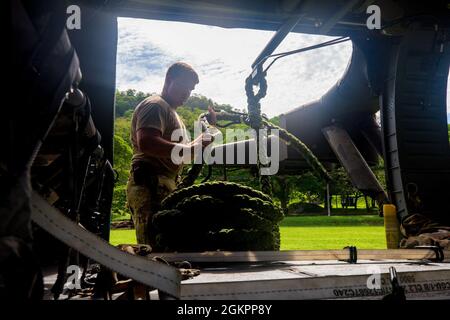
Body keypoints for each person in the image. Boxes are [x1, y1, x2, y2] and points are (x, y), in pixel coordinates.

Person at [126, 62, 216, 246]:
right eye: (184, 86)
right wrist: (193, 147)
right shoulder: (155, 105)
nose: (187, 94)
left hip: (164, 185)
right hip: (151, 183)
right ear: (169, 80)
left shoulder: (172, 113)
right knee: (154, 251)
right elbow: (147, 142)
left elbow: (181, 153)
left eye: (190, 90)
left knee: (168, 249)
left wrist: (204, 136)